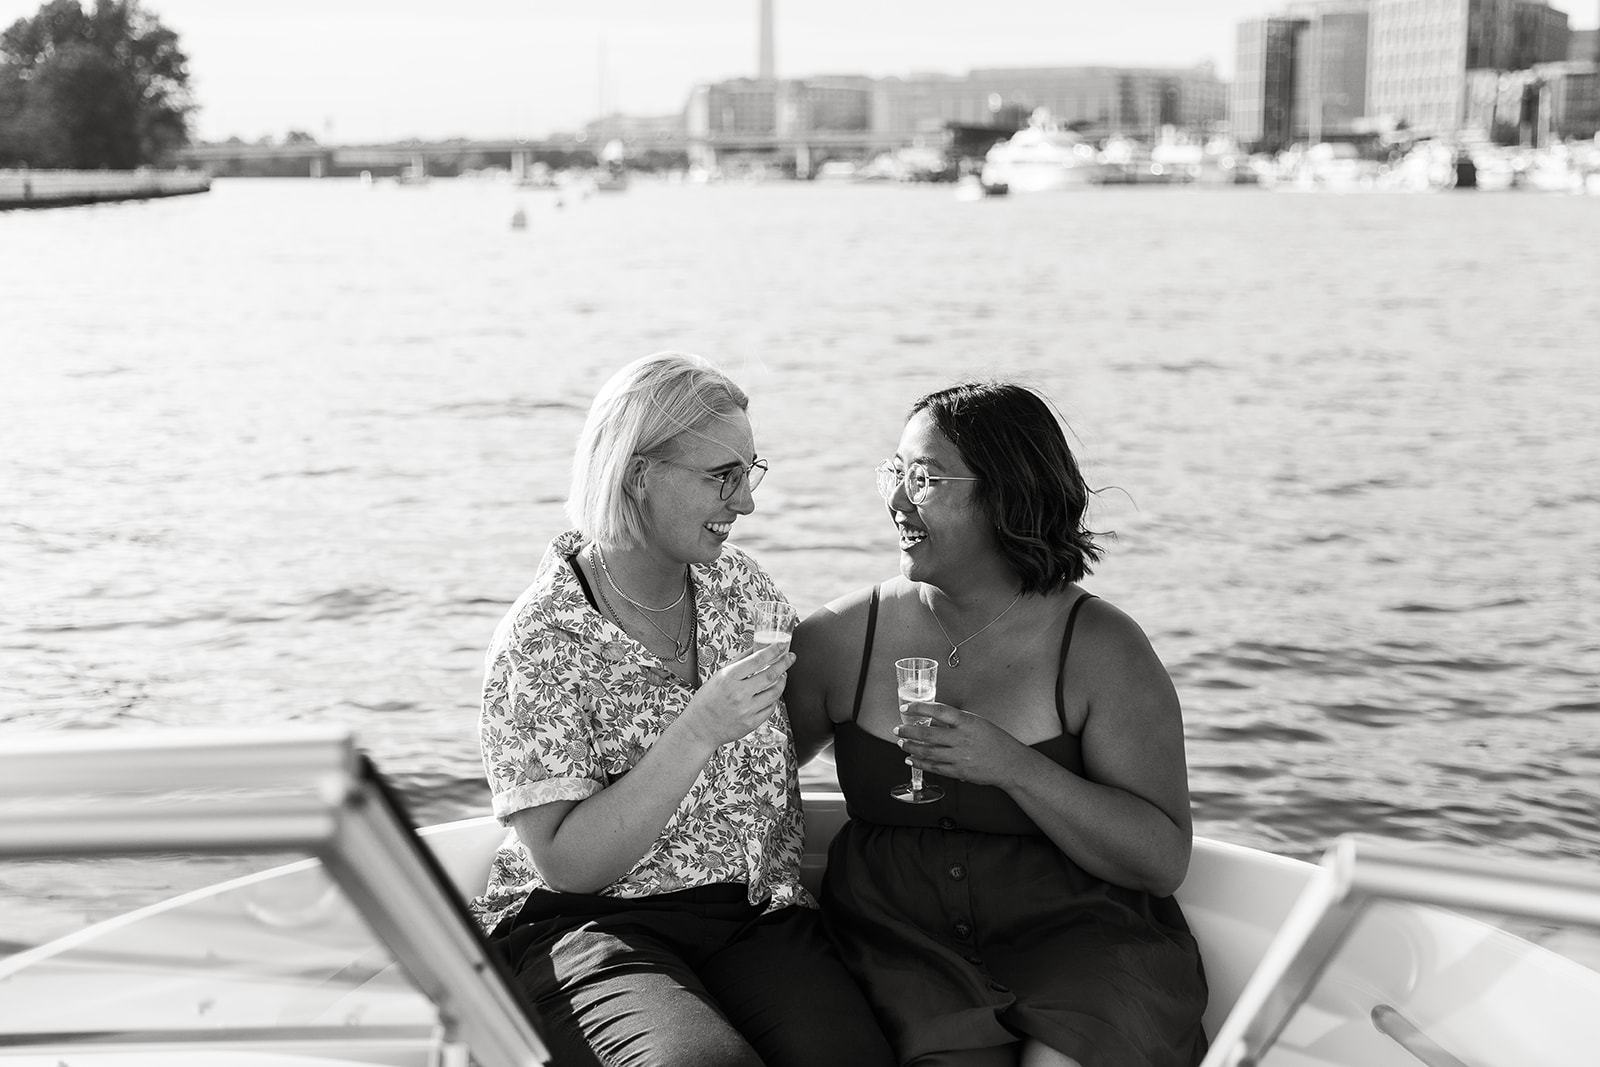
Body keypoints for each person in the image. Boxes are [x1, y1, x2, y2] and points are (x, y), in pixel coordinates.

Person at [471, 352, 895, 1067]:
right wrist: (698, 727)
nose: (747, 502)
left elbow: (793, 726)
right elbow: (568, 863)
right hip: (594, 923)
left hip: (754, 913)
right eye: (721, 476)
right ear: (638, 473)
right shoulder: (543, 638)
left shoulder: (742, 590)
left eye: (749, 472)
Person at [786, 380, 1209, 1067]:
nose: (896, 500)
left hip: (1083, 943)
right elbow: (739, 786)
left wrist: (1014, 766)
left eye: (923, 478)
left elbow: (1160, 861)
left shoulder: (1103, 648)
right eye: (895, 472)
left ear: (1005, 494)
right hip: (899, 945)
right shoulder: (839, 637)